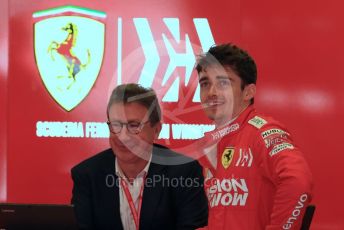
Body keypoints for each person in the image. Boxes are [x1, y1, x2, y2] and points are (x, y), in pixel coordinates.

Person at [195, 43, 313, 229]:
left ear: (248, 92)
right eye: (205, 83)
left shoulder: (262, 132)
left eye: (223, 83)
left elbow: (298, 181)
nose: (212, 92)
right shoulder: (210, 146)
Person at [71, 83, 208, 230]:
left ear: (156, 130)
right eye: (116, 124)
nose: (123, 136)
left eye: (134, 125)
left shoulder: (184, 173)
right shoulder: (87, 175)